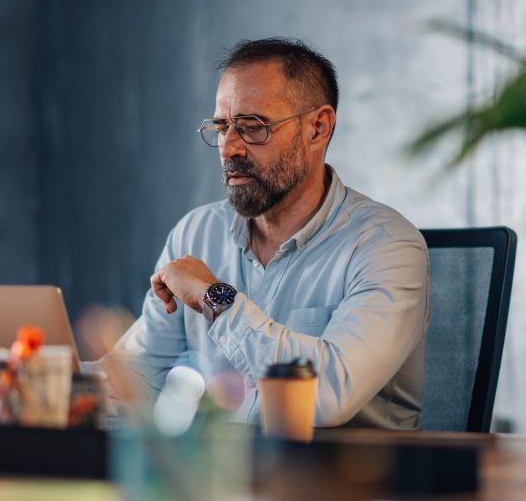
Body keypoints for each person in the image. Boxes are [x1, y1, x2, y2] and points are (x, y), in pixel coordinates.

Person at [108, 37, 428, 429]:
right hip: (221, 479)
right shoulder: (196, 233)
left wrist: (214, 297)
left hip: (345, 483)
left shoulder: (387, 247)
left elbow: (325, 396)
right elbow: (135, 378)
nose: (228, 148)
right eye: (222, 127)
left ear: (318, 128)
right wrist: (51, 381)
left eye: (252, 127)